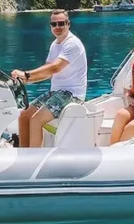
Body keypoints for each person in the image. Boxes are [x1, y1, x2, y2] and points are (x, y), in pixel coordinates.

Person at [11, 9, 88, 148]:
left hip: (72, 95)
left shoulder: (72, 44)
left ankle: (34, 159)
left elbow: (55, 68)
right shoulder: (55, 44)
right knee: (24, 116)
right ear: (50, 26)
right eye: (54, 24)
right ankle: (23, 154)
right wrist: (25, 80)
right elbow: (47, 72)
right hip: (56, 92)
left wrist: (26, 74)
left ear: (68, 24)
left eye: (61, 23)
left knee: (36, 120)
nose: (57, 27)